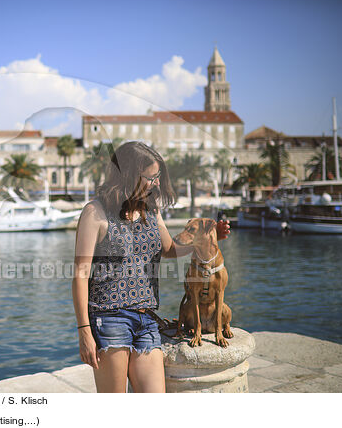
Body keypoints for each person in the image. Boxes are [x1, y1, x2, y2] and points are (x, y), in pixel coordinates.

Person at [71, 141, 230, 393]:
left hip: (146, 319)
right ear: (129, 176)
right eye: (151, 177)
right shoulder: (95, 213)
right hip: (109, 318)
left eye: (158, 177)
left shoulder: (151, 209)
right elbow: (80, 274)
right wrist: (84, 331)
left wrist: (206, 241)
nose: (157, 183)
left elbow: (169, 249)